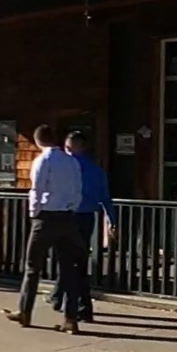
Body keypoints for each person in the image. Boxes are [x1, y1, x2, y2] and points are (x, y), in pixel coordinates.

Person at [20, 120, 113, 332]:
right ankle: (72, 317)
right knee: (71, 266)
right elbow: (79, 190)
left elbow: (37, 189)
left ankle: (25, 311)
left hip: (48, 216)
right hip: (71, 216)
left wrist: (34, 212)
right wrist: (73, 207)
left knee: (33, 266)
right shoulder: (74, 163)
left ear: (37, 140)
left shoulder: (43, 160)